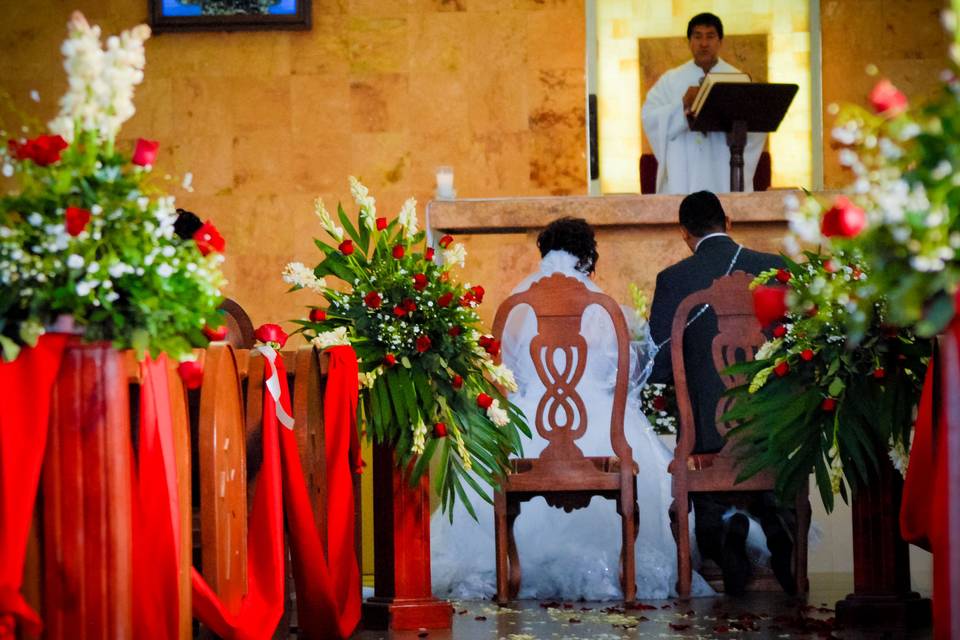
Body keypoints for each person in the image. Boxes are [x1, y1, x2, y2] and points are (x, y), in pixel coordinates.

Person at [431, 217, 713, 600]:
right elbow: (622, 376)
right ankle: (625, 569)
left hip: (532, 424)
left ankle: (507, 566)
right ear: (587, 255)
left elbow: (506, 374)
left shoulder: (517, 304)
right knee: (637, 450)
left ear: (544, 253)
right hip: (595, 425)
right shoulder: (601, 304)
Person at [647, 190, 795, 595]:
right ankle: (779, 525)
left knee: (708, 485)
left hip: (707, 438)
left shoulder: (673, 280)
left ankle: (720, 533)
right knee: (767, 482)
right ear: (728, 222)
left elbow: (660, 368)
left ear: (683, 233)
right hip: (770, 432)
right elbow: (802, 351)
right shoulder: (775, 268)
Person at [641, 13, 765, 194]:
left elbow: (756, 127)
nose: (704, 43)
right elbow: (650, 117)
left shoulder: (737, 79)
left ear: (720, 41)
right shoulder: (671, 80)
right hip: (685, 173)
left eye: (710, 36)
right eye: (697, 36)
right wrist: (682, 105)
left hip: (722, 169)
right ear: (689, 41)